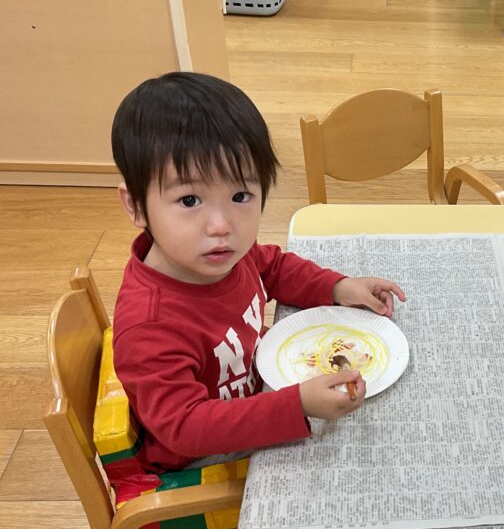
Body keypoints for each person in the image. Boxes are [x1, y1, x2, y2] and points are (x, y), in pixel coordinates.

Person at [111, 72, 405, 473]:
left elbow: (274, 266)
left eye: (239, 196)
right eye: (190, 199)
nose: (221, 225)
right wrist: (296, 405)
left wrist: (337, 286)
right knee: (357, 456)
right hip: (204, 458)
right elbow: (185, 427)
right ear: (136, 206)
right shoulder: (150, 325)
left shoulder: (223, 253)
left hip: (257, 391)